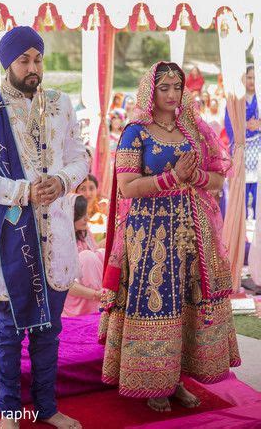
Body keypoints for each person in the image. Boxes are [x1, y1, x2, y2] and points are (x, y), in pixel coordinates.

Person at [0, 25, 89, 429]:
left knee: (50, 331)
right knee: (9, 332)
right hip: (9, 239)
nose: (33, 69)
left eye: (38, 60)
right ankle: (10, 412)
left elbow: (79, 156)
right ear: (7, 64)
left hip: (56, 238)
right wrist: (21, 191)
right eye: (24, 61)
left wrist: (63, 181)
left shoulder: (61, 103)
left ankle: (47, 408)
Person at [100, 61, 240, 413]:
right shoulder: (136, 132)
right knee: (155, 301)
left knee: (184, 305)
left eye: (177, 87)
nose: (172, 94)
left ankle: (176, 379)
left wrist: (194, 180)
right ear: (151, 90)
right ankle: (153, 383)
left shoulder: (192, 128)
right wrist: (172, 178)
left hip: (191, 231)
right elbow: (128, 187)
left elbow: (218, 179)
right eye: (165, 87)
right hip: (150, 235)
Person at [225, 65, 261, 221]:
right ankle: (242, 225)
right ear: (243, 79)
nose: (252, 81)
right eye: (249, 77)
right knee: (243, 188)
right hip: (242, 149)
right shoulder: (236, 99)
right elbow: (229, 122)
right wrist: (245, 125)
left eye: (254, 77)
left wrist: (259, 125)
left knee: (258, 187)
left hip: (258, 147)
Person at [63, 195, 104, 317]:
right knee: (87, 257)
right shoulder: (61, 242)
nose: (87, 218)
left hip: (96, 294)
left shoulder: (84, 233)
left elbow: (98, 260)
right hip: (76, 298)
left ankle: (101, 300)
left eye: (86, 213)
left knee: (101, 253)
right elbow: (67, 285)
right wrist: (96, 294)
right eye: (81, 215)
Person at [76, 174, 107, 242]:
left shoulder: (102, 218)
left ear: (96, 190)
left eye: (91, 188)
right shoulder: (73, 218)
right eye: (83, 189)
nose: (88, 193)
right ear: (76, 191)